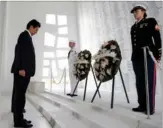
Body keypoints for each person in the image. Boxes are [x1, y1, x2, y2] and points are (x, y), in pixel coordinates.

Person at [130, 4, 162, 115]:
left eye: (137, 11)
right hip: (137, 57)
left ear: (143, 11)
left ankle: (150, 107)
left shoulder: (150, 21)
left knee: (149, 81)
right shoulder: (133, 27)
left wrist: (158, 55)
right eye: (134, 12)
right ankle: (142, 105)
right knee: (139, 82)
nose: (135, 13)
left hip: (148, 55)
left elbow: (157, 38)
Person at [11, 19, 41, 127]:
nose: (36, 32)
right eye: (36, 29)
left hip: (24, 72)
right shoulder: (24, 35)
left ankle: (20, 119)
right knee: (19, 97)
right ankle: (18, 122)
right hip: (22, 72)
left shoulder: (26, 36)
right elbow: (20, 52)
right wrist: (21, 68)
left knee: (20, 96)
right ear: (31, 27)